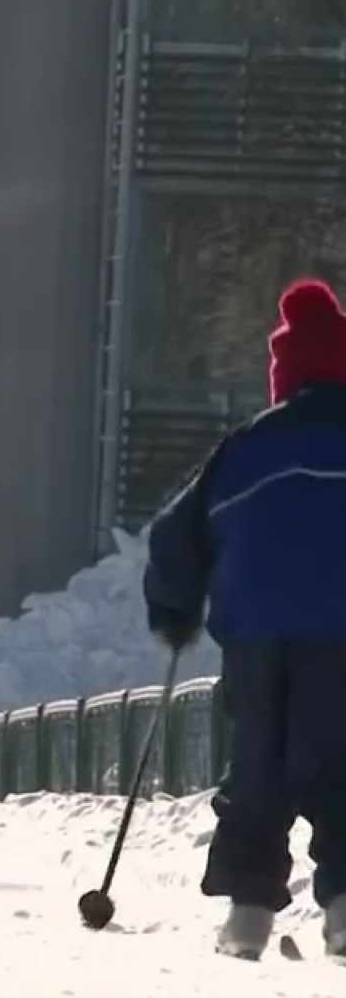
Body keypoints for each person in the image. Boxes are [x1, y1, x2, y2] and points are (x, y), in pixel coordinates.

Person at [145, 277, 346, 960]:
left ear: (281, 377)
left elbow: (176, 536)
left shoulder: (241, 451)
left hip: (257, 635)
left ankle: (247, 918)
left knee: (258, 763)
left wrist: (174, 609)